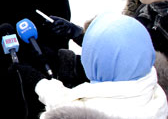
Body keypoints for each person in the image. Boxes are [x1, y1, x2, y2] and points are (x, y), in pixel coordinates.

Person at [27, 13, 168, 119]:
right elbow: (124, 49)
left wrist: (37, 82)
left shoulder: (88, 109)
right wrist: (79, 34)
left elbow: (65, 101)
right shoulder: (155, 91)